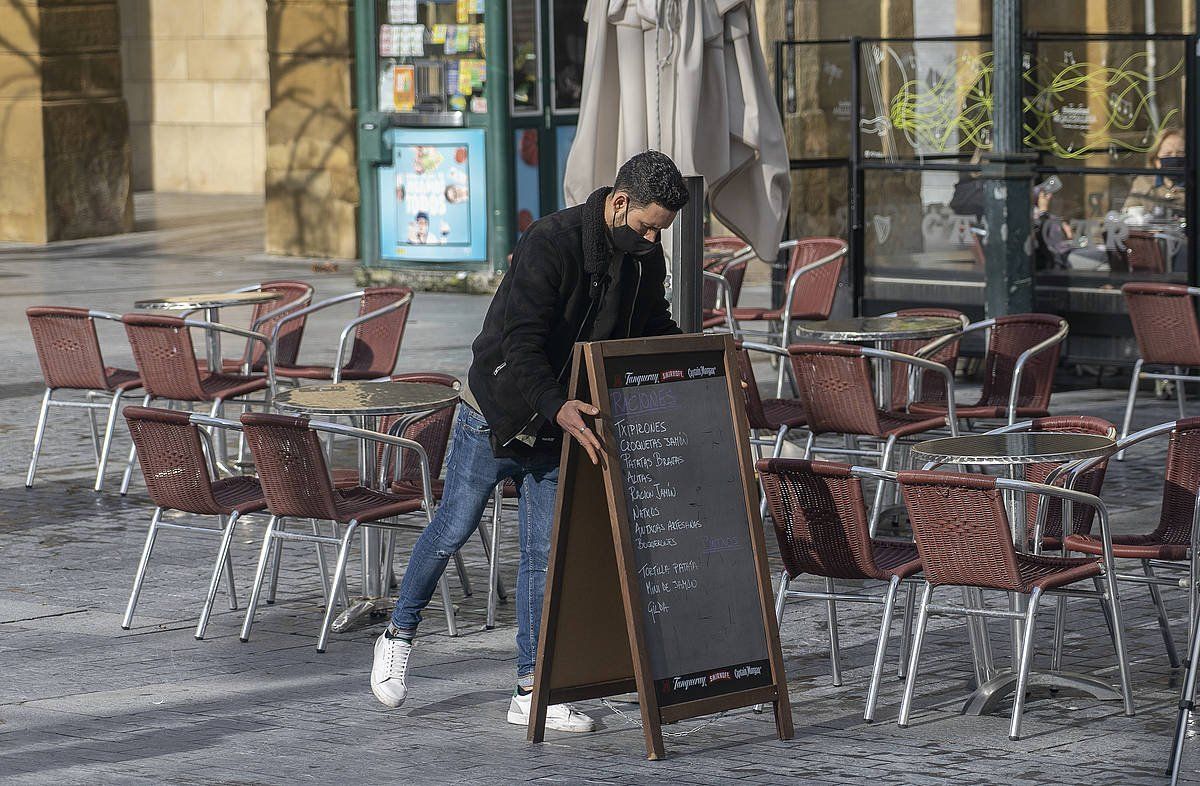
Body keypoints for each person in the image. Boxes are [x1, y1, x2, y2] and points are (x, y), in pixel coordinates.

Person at [370, 150, 689, 732]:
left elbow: (651, 325)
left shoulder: (644, 257)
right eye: (646, 226)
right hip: (498, 407)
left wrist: (700, 357)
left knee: (544, 557)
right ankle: (398, 634)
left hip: (563, 419)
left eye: (659, 232)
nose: (650, 239)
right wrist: (555, 404)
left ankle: (530, 688)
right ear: (619, 201)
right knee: (453, 528)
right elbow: (520, 343)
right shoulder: (551, 241)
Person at [1126, 128, 1186, 216]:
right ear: (1156, 161)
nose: (1174, 158)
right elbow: (1129, 211)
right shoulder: (1142, 182)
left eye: (1180, 153)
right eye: (1167, 154)